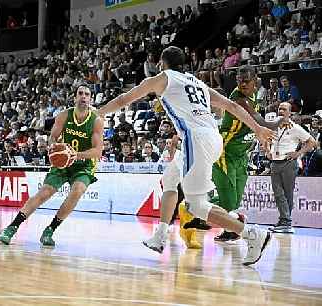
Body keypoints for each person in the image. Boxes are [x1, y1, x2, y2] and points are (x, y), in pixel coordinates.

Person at [97, 46, 275, 266]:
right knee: (171, 177)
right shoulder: (197, 83)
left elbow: (125, 99)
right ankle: (160, 235)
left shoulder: (163, 78)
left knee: (196, 206)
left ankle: (252, 234)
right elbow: (229, 105)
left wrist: (98, 113)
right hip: (212, 138)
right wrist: (257, 129)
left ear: (162, 63)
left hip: (196, 139)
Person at [0, 84, 104, 246]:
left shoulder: (96, 121)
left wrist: (76, 155)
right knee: (44, 193)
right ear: (75, 97)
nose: (83, 96)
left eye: (87, 94)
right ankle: (11, 228)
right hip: (63, 162)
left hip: (83, 164)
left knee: (77, 191)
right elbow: (52, 138)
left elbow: (97, 152)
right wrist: (54, 147)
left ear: (90, 99)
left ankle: (50, 230)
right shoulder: (63, 116)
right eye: (80, 93)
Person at [212, 66, 289, 242]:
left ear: (256, 80)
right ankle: (192, 209)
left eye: (246, 80)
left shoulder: (254, 95)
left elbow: (254, 129)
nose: (242, 84)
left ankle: (217, 219)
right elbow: (261, 123)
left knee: (236, 201)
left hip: (241, 153)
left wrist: (264, 142)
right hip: (225, 151)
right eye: (239, 81)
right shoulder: (238, 98)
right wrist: (281, 120)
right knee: (229, 202)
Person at [268, 102, 316, 233]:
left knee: (286, 194)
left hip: (288, 163)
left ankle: (285, 221)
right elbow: (266, 138)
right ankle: (285, 221)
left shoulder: (295, 127)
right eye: (279, 109)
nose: (281, 111)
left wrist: (298, 153)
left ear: (290, 113)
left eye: (284, 109)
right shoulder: (274, 125)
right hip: (275, 162)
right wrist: (267, 149)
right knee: (278, 193)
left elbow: (312, 142)